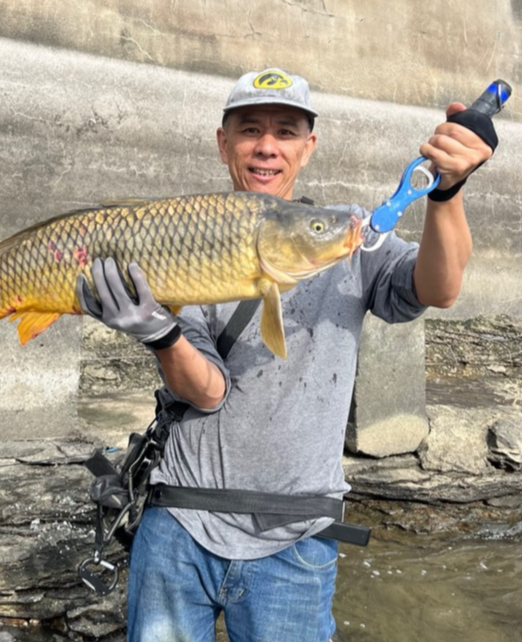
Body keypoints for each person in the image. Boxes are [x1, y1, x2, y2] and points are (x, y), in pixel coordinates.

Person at [76, 68, 494, 642]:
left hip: (298, 537)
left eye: (286, 132)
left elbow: (438, 288)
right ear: (224, 143)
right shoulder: (186, 242)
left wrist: (445, 191)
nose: (267, 146)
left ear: (308, 146)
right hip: (180, 521)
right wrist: (161, 335)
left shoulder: (348, 233)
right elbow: (207, 391)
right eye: (250, 130)